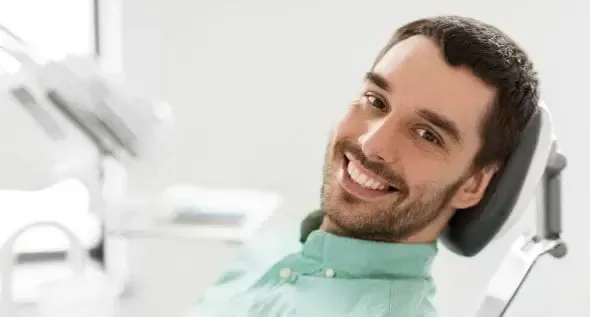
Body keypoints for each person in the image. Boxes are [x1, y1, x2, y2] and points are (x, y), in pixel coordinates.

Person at [186, 15, 539, 317]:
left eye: (427, 135)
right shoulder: (268, 249)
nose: (372, 143)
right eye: (376, 100)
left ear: (472, 185)